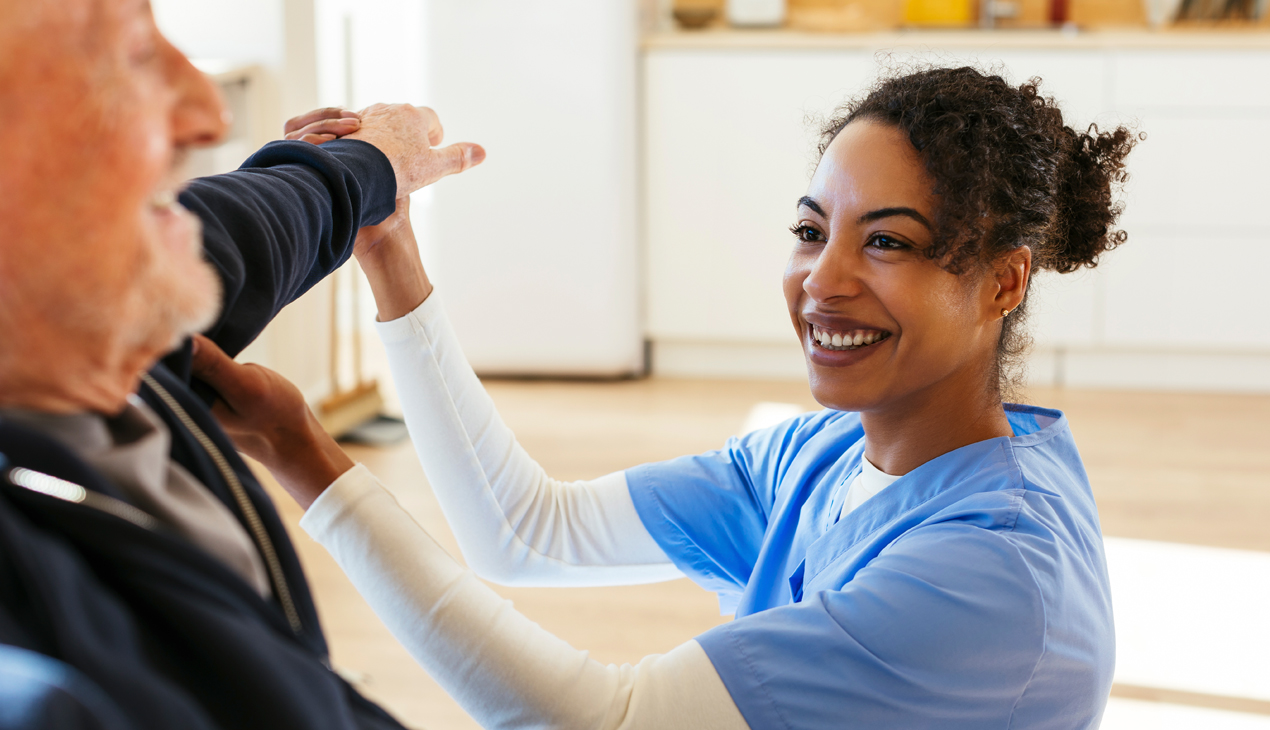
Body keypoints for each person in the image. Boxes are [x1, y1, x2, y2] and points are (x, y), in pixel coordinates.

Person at [194, 68, 1137, 729]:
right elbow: (526, 533)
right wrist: (390, 250)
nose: (823, 280)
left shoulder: (993, 577)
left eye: (886, 242)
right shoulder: (821, 456)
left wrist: (301, 453)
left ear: (1004, 282)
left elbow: (604, 722)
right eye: (812, 231)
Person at [0, 0, 483, 727]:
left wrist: (371, 166)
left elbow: (256, 224)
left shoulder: (91, 318)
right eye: (121, 56)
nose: (210, 112)